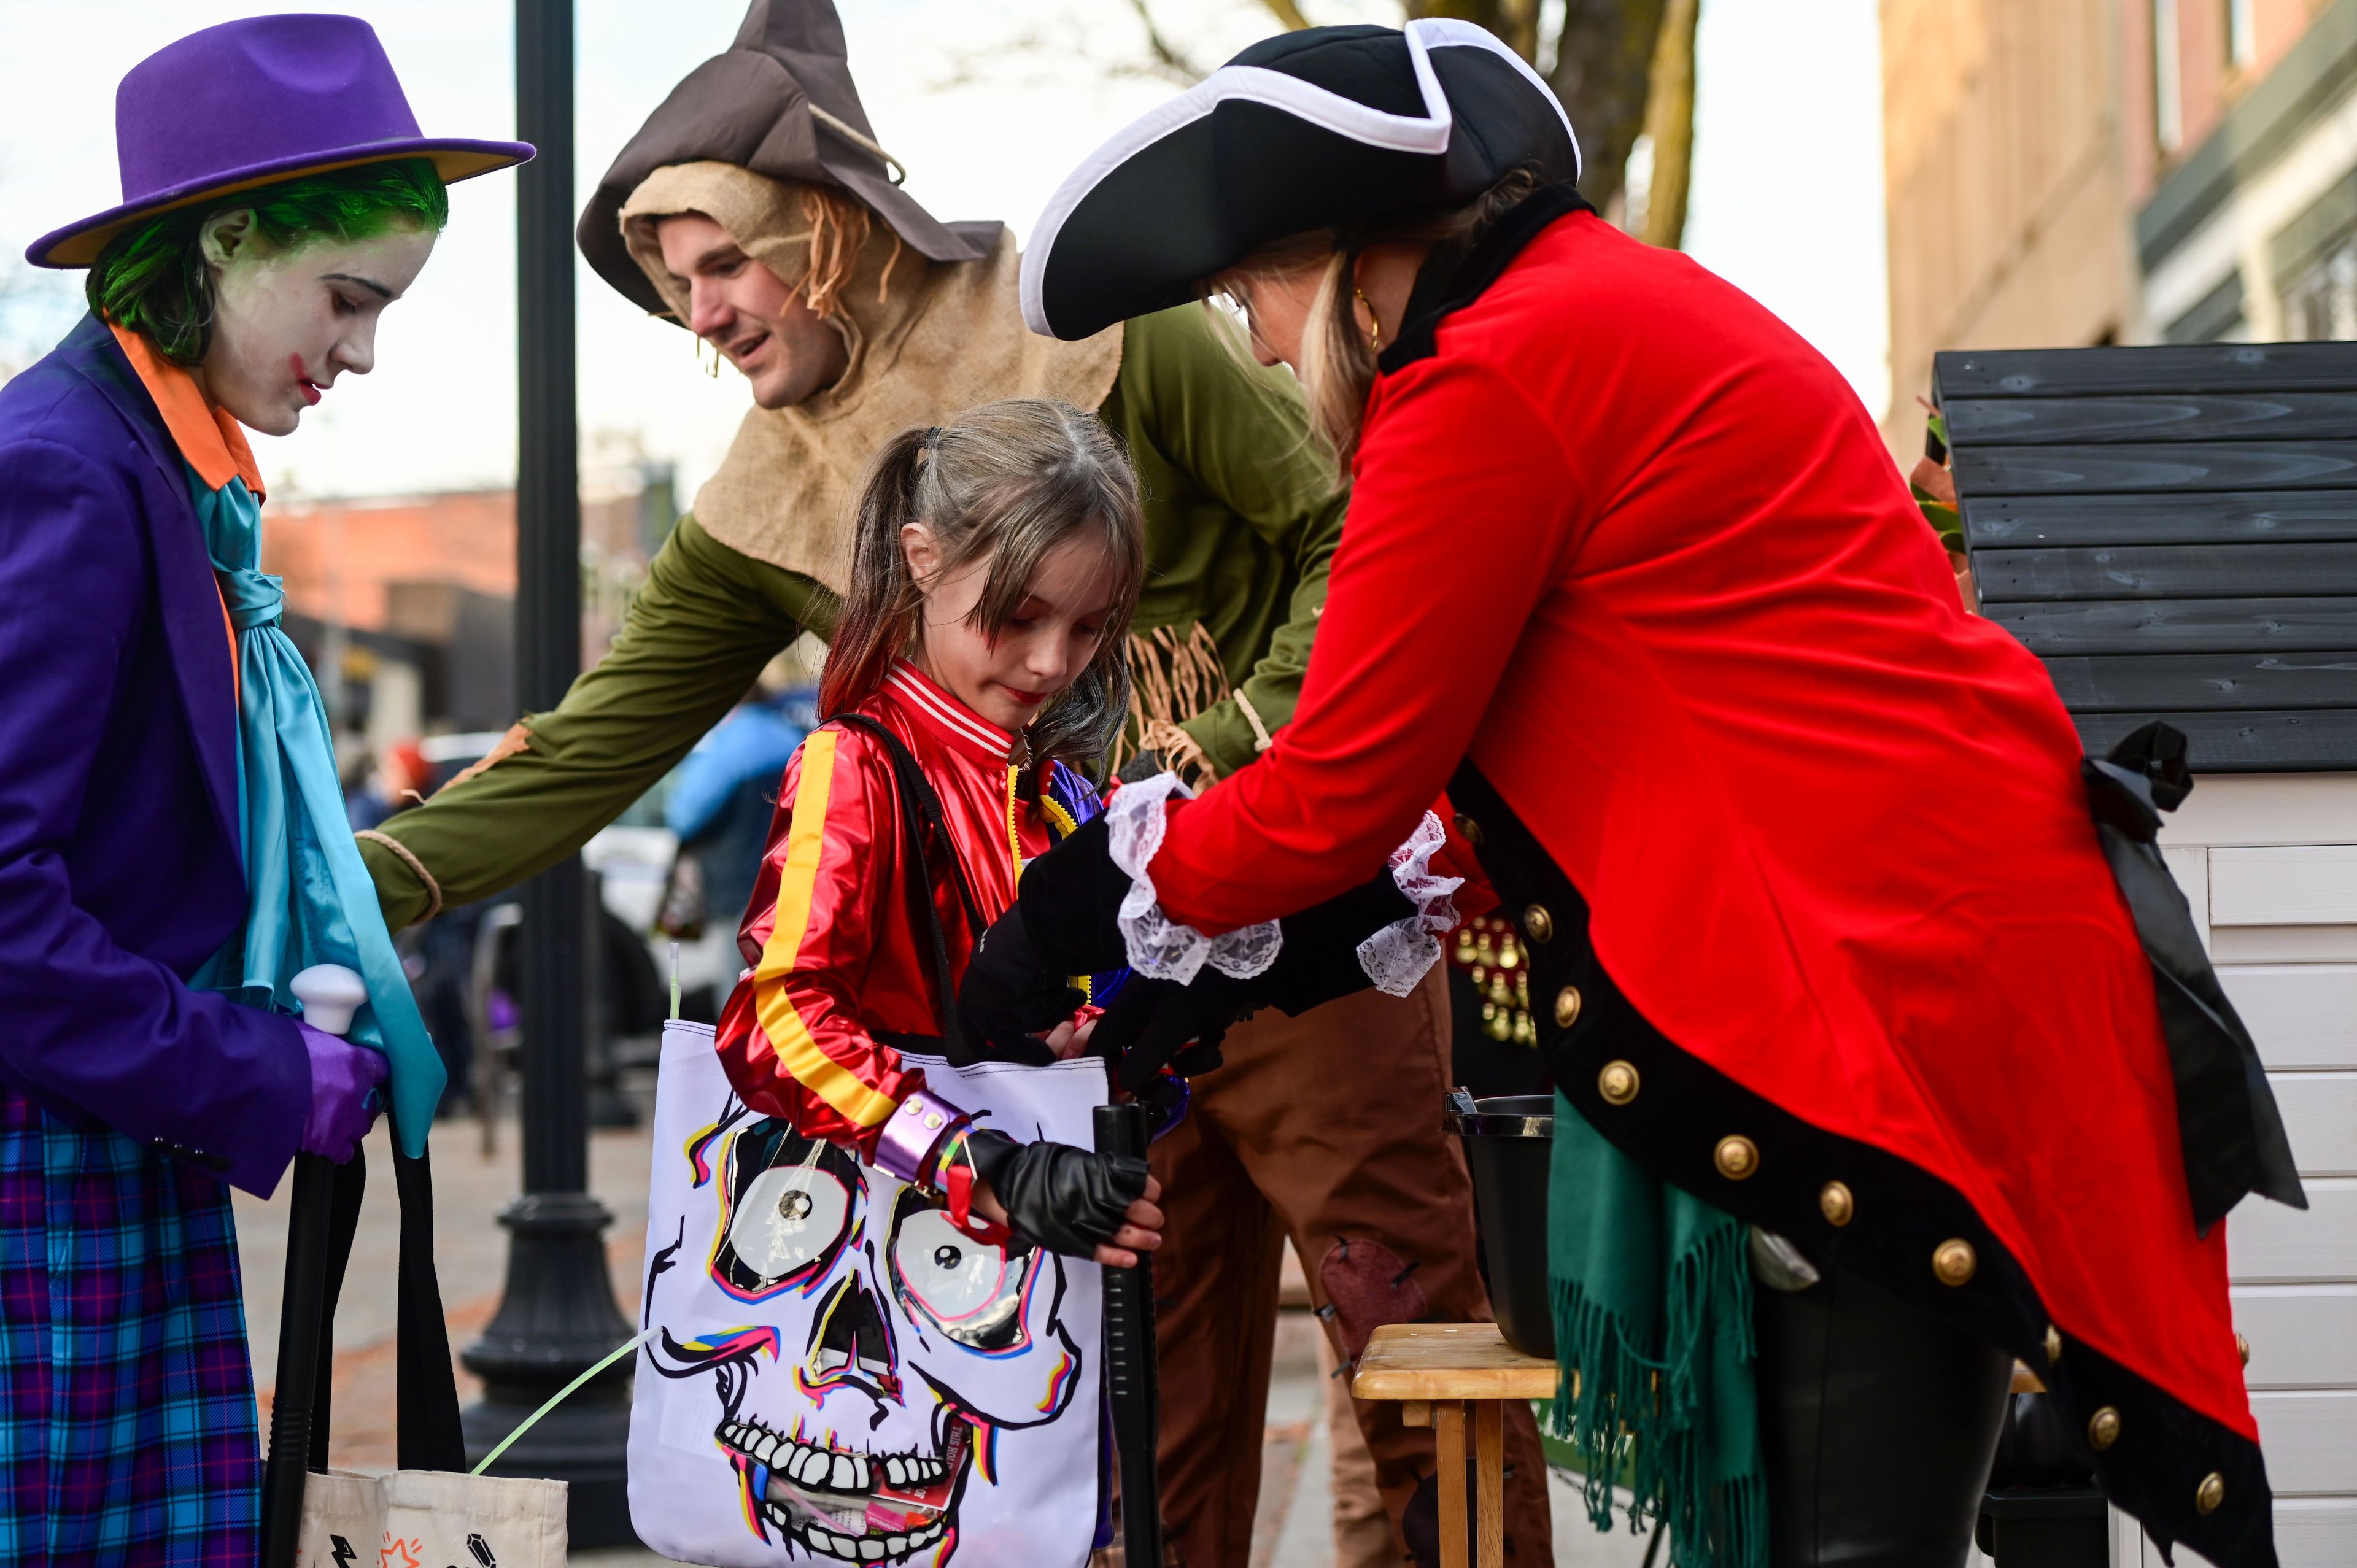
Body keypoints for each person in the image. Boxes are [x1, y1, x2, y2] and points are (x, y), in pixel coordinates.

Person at [964, 19, 2296, 1568]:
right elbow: (1488, 806)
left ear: (1335, 257)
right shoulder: (1585, 313)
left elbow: (1342, 783)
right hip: (1926, 946)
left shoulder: (1486, 377)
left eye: (1250, 291)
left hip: (1873, 984)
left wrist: (1087, 906)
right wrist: (1207, 975)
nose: (1257, 343)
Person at [355, 4, 1556, 1560]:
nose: (700, 309)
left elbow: (1362, 525)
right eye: (671, 285)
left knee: (1414, 1355)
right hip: (1081, 1015)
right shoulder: (759, 498)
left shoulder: (1118, 327)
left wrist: (1242, 755)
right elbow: (598, 745)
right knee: (1143, 1433)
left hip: (1296, 932)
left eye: (722, 261)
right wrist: (355, 890)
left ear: (826, 229)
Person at [0, 15, 527, 1561]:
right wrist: (243, 1074)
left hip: (102, 1120)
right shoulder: (69, 468)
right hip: (47, 1147)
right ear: (226, 236)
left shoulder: (158, 465)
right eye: (348, 298)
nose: (361, 350)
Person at [713, 398, 1163, 1266]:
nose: (1052, 662)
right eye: (1020, 615)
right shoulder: (855, 765)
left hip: (1054, 1276)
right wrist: (973, 1163)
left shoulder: (1064, 787)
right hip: (873, 1278)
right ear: (923, 559)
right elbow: (777, 1023)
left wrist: (1116, 1047)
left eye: (1088, 626)